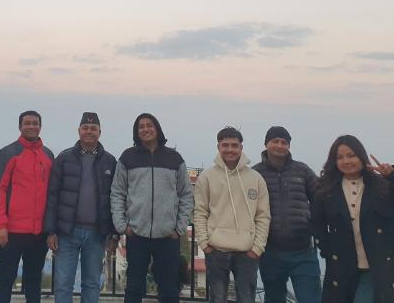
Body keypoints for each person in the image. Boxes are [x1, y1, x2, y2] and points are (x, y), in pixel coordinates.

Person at [312, 134, 394, 303]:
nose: (346, 161)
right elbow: (317, 223)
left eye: (351, 155)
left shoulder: (383, 186)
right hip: (342, 268)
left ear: (361, 157)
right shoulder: (326, 189)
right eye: (340, 157)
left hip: (379, 268)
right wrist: (327, 250)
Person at [110, 113, 193, 303]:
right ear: (136, 131)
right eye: (141, 126)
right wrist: (122, 225)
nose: (145, 129)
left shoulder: (174, 158)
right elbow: (117, 192)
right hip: (137, 235)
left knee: (169, 289)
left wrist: (179, 227)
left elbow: (186, 194)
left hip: (167, 236)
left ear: (157, 129)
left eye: (149, 125)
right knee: (134, 289)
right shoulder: (128, 157)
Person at [44, 112, 119, 303]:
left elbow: (116, 199)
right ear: (79, 131)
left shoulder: (110, 161)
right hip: (67, 232)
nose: (89, 131)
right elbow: (52, 196)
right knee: (63, 284)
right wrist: (51, 231)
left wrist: (114, 234)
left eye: (93, 128)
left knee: (92, 283)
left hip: (97, 234)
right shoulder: (64, 158)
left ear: (100, 132)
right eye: (85, 128)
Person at [193, 126, 270, 303]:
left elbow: (263, 216)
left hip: (247, 252)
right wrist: (204, 244)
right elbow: (200, 212)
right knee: (217, 298)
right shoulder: (207, 177)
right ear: (218, 147)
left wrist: (257, 248)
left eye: (234, 145)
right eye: (225, 145)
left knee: (246, 298)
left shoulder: (256, 178)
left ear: (241, 148)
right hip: (216, 250)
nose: (230, 149)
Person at [0, 110, 54, 303]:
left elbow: (52, 193)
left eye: (35, 123)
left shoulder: (48, 155)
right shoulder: (8, 153)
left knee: (33, 280)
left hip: (38, 232)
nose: (31, 126)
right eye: (27, 123)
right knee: (5, 278)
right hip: (11, 231)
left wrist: (51, 229)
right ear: (20, 126)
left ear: (40, 126)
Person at [252, 126, 321, 303]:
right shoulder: (255, 173)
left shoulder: (303, 170)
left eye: (284, 142)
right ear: (266, 144)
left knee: (311, 299)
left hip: (303, 250)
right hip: (270, 251)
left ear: (289, 146)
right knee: (274, 298)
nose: (280, 145)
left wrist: (314, 227)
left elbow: (320, 200)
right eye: (275, 141)